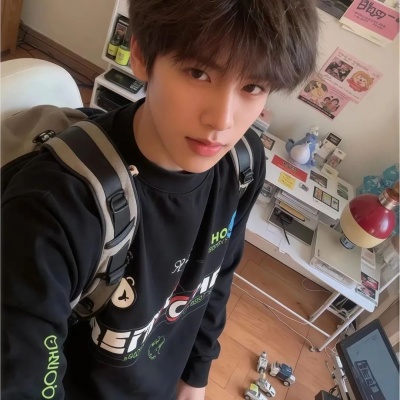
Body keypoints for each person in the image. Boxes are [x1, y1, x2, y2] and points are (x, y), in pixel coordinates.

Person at [1, 1, 319, 399]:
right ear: (140, 55)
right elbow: (25, 377)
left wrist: (196, 375)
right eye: (198, 72)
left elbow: (218, 275)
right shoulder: (56, 206)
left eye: (252, 87)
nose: (222, 121)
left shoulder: (243, 163)